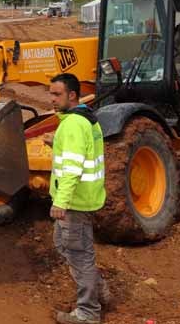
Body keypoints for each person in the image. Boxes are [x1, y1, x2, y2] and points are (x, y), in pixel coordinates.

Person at [49, 73, 109, 324]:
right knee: (62, 244)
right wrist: (55, 144)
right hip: (84, 197)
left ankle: (88, 313)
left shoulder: (73, 124)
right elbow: (81, 153)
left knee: (79, 254)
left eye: (56, 94)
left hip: (74, 202)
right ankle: (100, 290)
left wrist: (60, 201)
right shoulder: (86, 118)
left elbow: (72, 168)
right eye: (50, 93)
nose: (51, 99)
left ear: (72, 95)